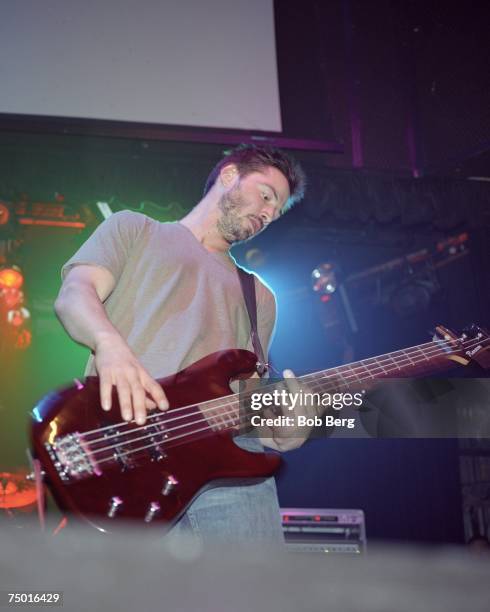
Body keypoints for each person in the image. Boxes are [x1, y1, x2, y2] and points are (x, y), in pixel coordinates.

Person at [54, 144, 307, 544]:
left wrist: (283, 433)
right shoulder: (135, 229)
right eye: (265, 195)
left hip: (228, 478)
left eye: (275, 213)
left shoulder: (261, 297)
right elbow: (74, 295)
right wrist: (109, 344)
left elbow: (248, 404)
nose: (267, 214)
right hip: (128, 450)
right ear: (229, 175)